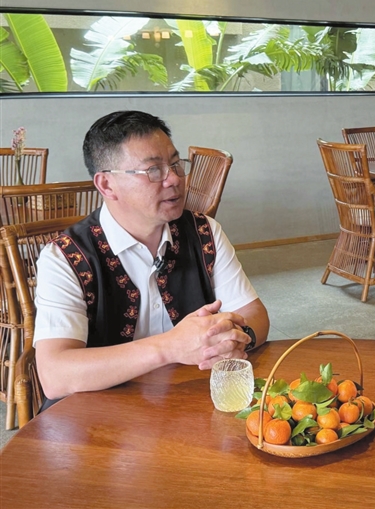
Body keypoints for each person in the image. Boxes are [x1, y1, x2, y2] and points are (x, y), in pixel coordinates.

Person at [34, 110, 270, 401]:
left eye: (175, 164)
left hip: (188, 401)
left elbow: (255, 315)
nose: (174, 179)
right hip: (100, 414)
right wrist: (169, 347)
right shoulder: (65, 257)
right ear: (106, 184)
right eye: (154, 170)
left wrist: (235, 339)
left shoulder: (203, 231)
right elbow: (55, 375)